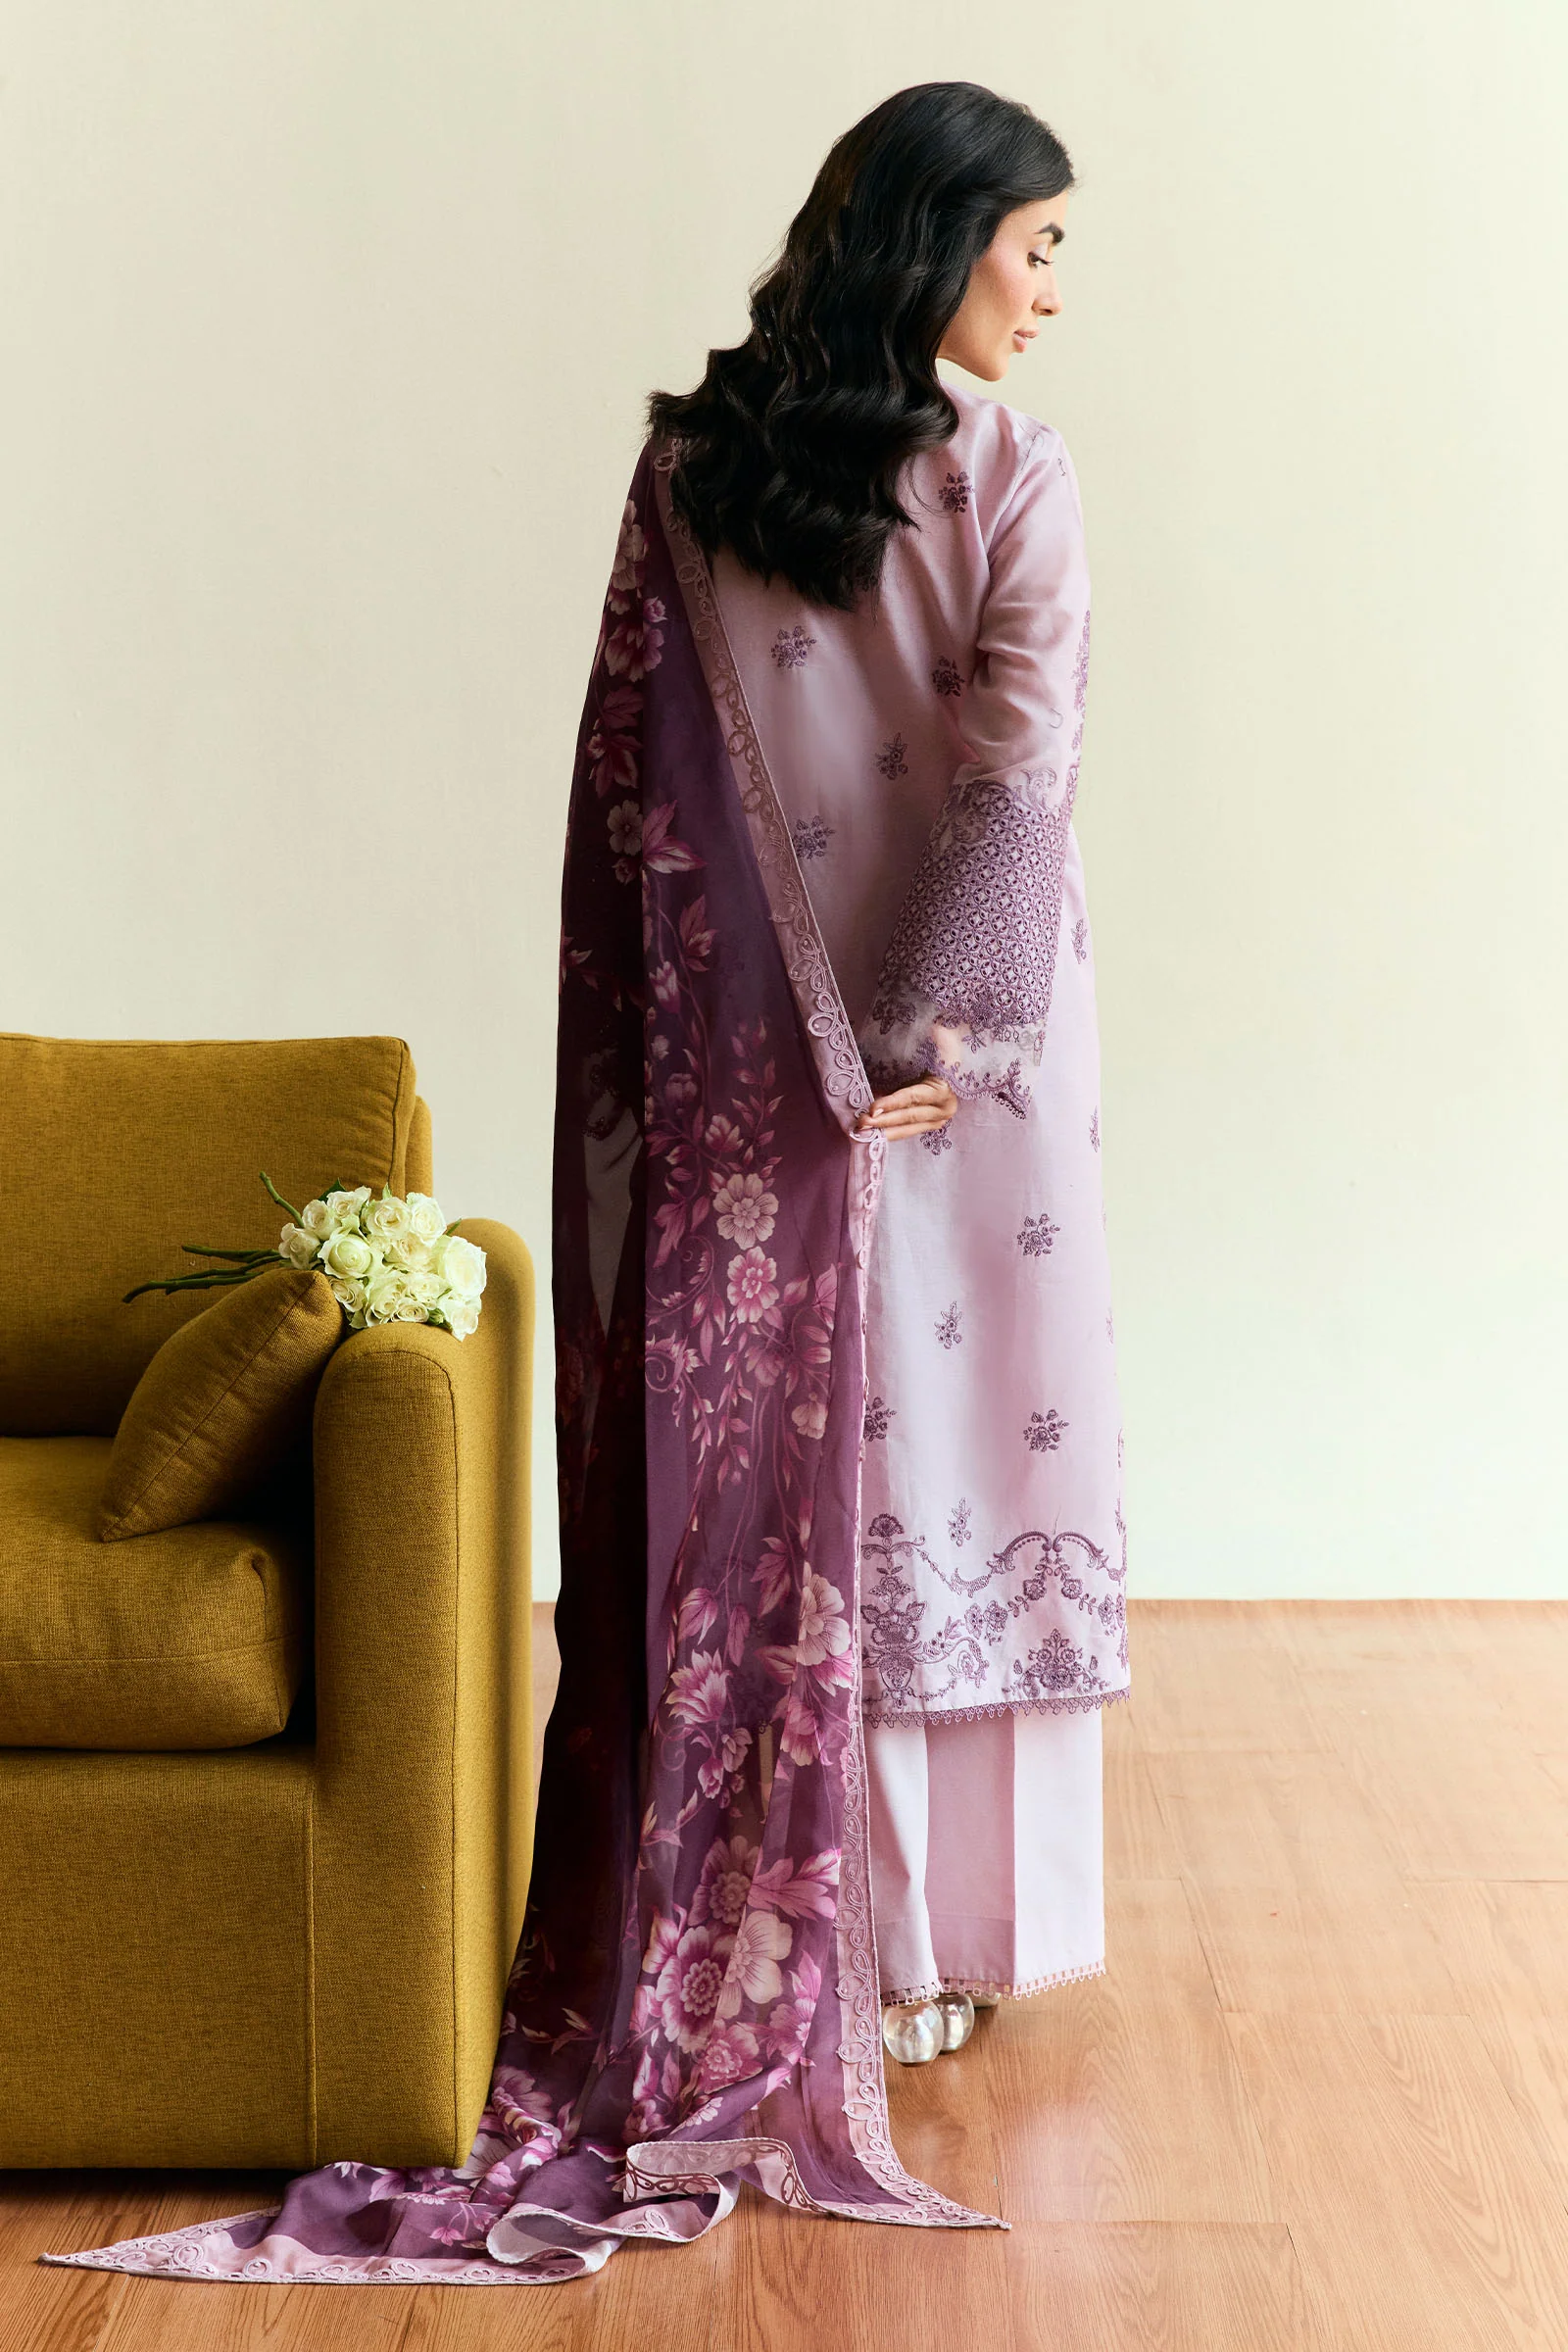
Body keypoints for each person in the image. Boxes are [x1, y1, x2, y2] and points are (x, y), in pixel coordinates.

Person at [44, 78, 1125, 2290]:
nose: (1048, 292)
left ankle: (826, 1940)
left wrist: (774, 1058)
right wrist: (929, 1040)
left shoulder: (697, 470)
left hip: (749, 1079)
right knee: (938, 1459)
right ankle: (923, 1954)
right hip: (966, 1064)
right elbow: (1017, 770)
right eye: (1031, 247)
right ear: (934, 242)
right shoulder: (1011, 474)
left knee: (809, 1476)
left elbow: (631, 801)